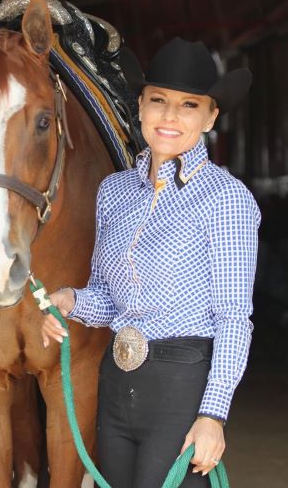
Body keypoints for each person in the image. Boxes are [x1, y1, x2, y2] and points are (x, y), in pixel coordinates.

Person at [41, 37, 261, 488]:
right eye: (158, 101)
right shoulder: (114, 192)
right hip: (118, 382)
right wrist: (69, 300)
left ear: (210, 116)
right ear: (139, 105)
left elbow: (235, 318)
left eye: (189, 105)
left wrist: (213, 415)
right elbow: (106, 297)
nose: (170, 116)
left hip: (182, 385)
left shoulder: (227, 200)